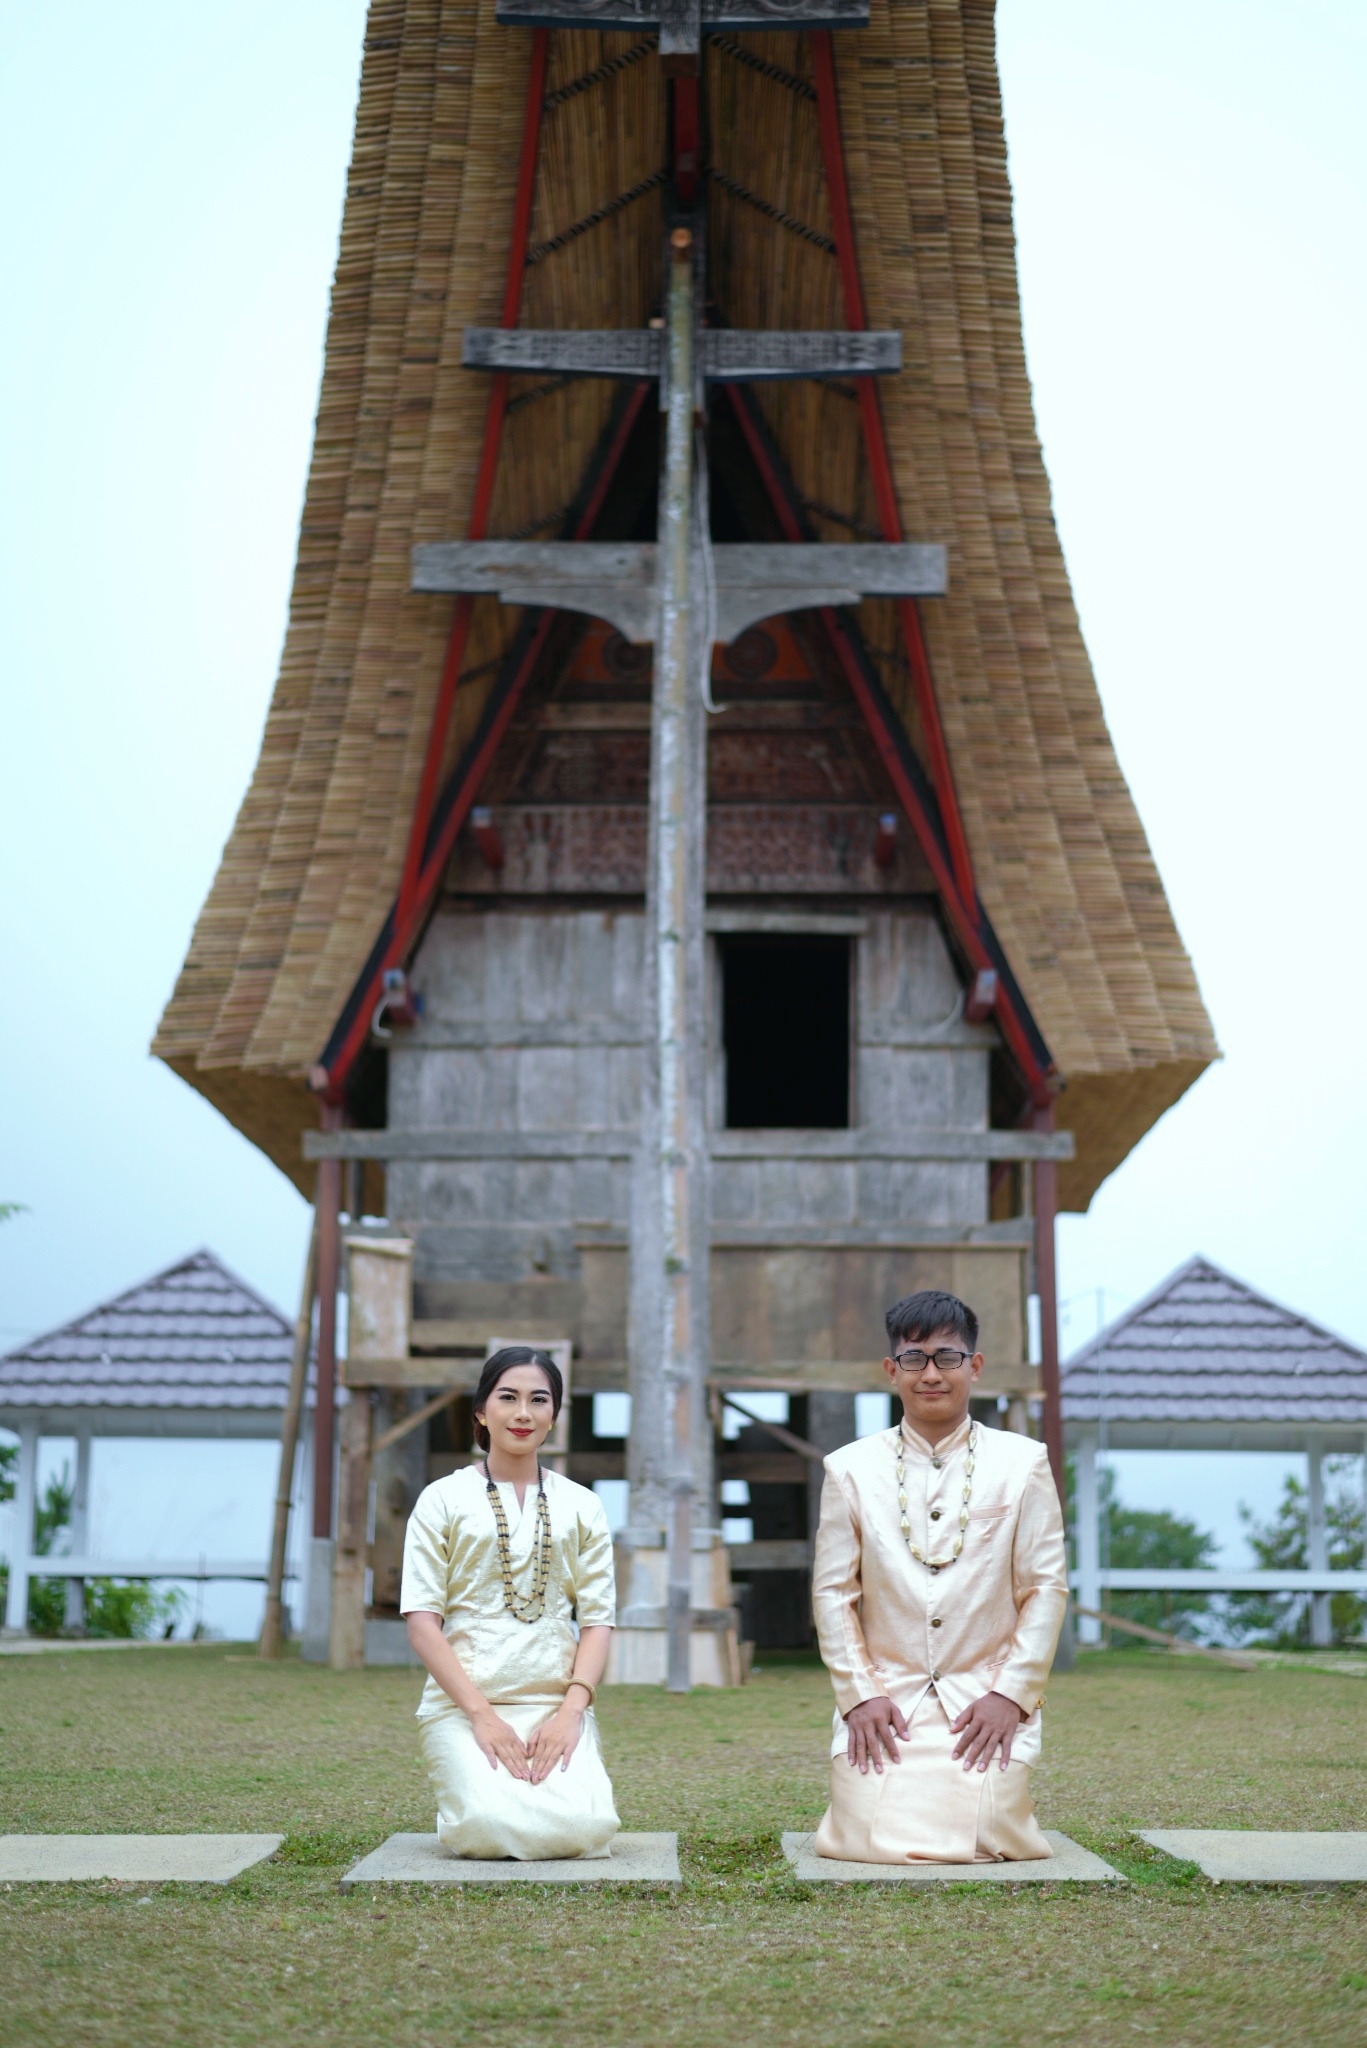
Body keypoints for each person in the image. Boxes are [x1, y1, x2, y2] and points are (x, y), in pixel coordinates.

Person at [811, 1289, 1068, 1864]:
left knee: (990, 1830)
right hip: (886, 1701)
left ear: (974, 1367)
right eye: (914, 1358)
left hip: (983, 1700)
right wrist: (859, 1696)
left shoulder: (1023, 1462)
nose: (931, 1374)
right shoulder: (849, 1468)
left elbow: (1045, 1589)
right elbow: (833, 1594)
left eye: (947, 1357)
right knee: (861, 1835)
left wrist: (1010, 1695)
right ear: (891, 1370)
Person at [401, 1346, 620, 1859]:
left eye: (538, 1400)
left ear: (554, 1416)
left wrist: (571, 1712)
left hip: (554, 1705)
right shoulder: (441, 1499)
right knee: (484, 1826)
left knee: (587, 1828)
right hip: (464, 1706)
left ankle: (525, 1785)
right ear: (482, 1411)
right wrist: (481, 1715)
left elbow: (597, 1621)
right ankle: (465, 1799)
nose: (523, 1413)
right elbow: (421, 1622)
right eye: (508, 1397)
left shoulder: (583, 1505)